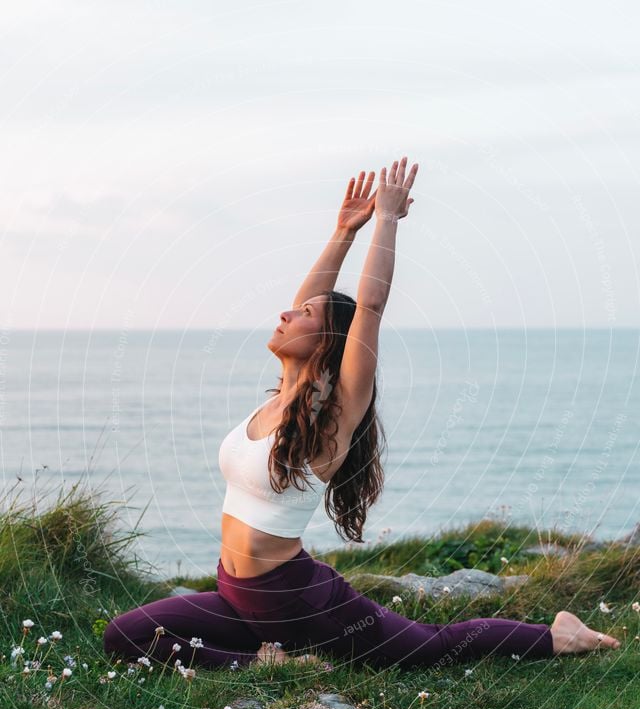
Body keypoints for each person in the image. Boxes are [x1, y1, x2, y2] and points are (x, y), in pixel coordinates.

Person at [103, 157, 620, 671]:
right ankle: (263, 662)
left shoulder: (329, 419)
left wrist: (388, 219)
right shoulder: (283, 396)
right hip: (234, 590)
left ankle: (556, 638)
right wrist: (343, 231)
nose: (285, 313)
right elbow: (311, 301)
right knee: (124, 633)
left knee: (430, 648)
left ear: (327, 344)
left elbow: (367, 308)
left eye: (302, 317)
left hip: (293, 601)